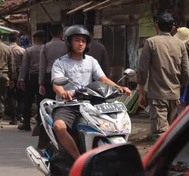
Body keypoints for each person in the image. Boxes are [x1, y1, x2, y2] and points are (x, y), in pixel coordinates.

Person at [51, 25, 131, 160]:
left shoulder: (91, 61)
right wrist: (64, 93)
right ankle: (79, 161)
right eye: (77, 40)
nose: (80, 43)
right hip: (68, 105)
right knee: (59, 126)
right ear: (69, 42)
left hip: (91, 103)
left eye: (83, 41)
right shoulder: (60, 63)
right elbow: (56, 84)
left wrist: (119, 87)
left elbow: (103, 79)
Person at [137, 12, 189, 141]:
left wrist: (141, 92)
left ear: (156, 26)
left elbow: (142, 69)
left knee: (161, 133)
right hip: (174, 94)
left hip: (157, 95)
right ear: (172, 28)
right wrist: (180, 86)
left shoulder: (151, 42)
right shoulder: (180, 44)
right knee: (170, 131)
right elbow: (186, 71)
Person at [17, 30, 46, 131]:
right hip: (43, 78)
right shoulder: (45, 49)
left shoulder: (29, 50)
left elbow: (24, 66)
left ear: (34, 39)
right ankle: (40, 124)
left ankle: (27, 124)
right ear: (44, 39)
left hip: (30, 78)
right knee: (41, 101)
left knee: (28, 101)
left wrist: (21, 79)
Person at [39, 24, 66, 99]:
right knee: (62, 97)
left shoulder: (45, 47)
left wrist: (41, 83)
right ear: (61, 33)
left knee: (50, 99)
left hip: (49, 75)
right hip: (63, 75)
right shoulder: (66, 46)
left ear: (50, 34)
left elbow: (42, 66)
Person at [7, 32, 26, 125]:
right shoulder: (22, 50)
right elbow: (25, 64)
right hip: (20, 75)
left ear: (8, 39)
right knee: (21, 96)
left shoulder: (6, 49)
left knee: (11, 96)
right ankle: (20, 115)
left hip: (8, 75)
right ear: (17, 39)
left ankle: (13, 117)